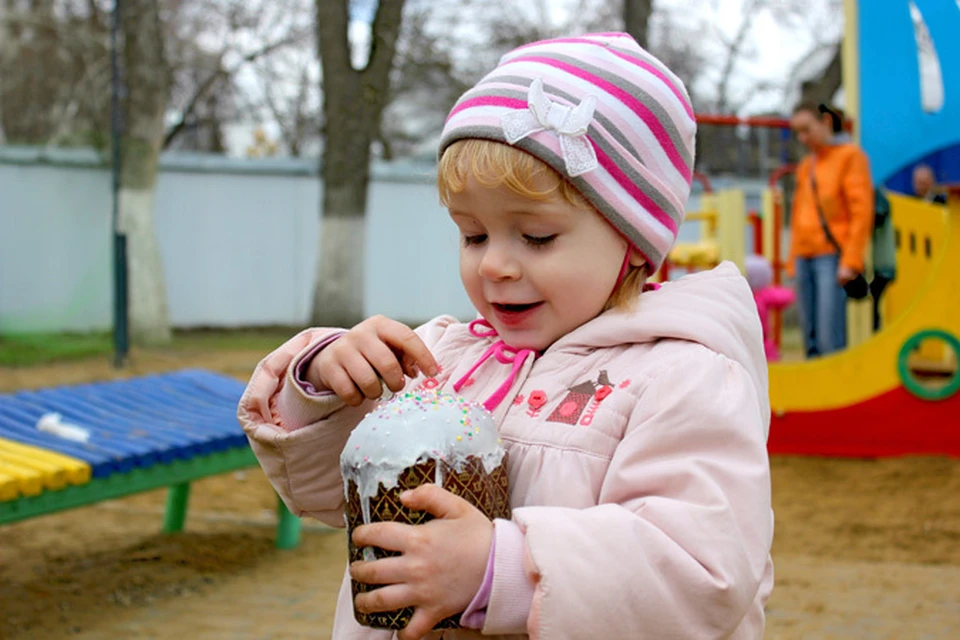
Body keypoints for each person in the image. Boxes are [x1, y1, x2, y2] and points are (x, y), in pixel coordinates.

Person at [238, 33, 774, 640]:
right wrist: (325, 383)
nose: (494, 265)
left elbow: (701, 572)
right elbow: (325, 495)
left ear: (632, 242)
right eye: (473, 235)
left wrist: (501, 572)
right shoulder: (440, 358)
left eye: (536, 237)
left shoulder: (682, 377)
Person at [787, 102, 874, 357]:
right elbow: (798, 215)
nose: (802, 138)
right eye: (797, 132)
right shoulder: (806, 166)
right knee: (809, 335)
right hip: (804, 255)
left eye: (806, 129)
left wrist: (851, 260)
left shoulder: (850, 157)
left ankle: (839, 390)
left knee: (829, 335)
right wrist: (792, 260)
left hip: (832, 255)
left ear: (825, 122)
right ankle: (815, 394)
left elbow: (861, 211)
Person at [745, 254, 795, 361]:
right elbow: (785, 297)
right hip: (763, 340)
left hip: (748, 340)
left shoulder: (743, 296)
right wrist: (793, 290)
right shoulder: (764, 295)